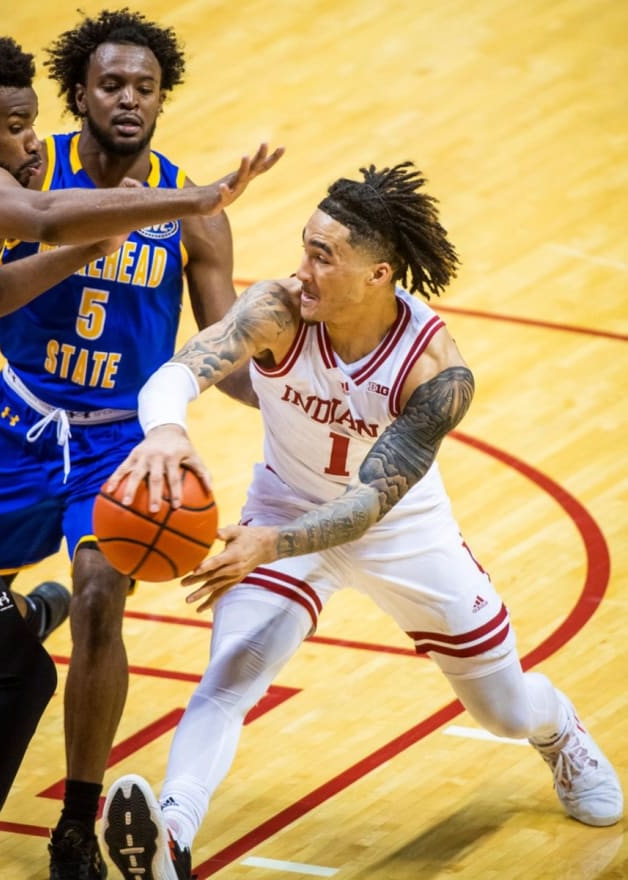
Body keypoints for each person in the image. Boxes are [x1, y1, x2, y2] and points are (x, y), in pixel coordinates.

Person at [100, 161, 624, 880]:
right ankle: (172, 836)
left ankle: (558, 731)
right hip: (284, 502)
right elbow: (181, 369)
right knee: (231, 674)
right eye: (304, 246)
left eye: (324, 256)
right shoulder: (277, 309)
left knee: (502, 711)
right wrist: (165, 429)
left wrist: (268, 544)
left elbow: (369, 504)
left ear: (379, 275)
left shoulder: (435, 370)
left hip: (402, 532)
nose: (301, 269)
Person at [0, 22, 281, 879]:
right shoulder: (18, 177)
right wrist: (185, 200)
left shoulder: (183, 223)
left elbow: (214, 354)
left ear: (163, 97)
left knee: (97, 597)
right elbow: (12, 258)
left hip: (117, 441)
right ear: (76, 96)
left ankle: (77, 824)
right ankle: (23, 621)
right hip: (17, 420)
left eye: (146, 86)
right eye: (110, 85)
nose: (129, 99)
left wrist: (288, 391)